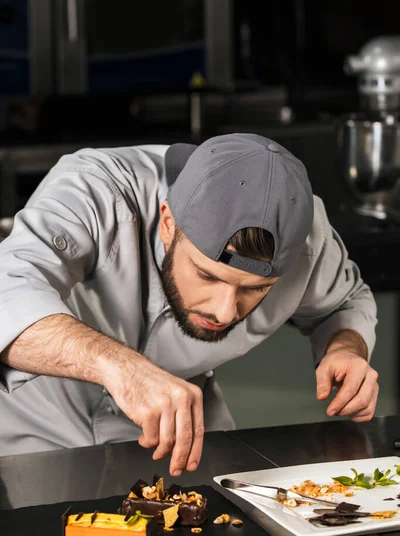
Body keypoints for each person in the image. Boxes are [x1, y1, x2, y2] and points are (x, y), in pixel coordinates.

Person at [0, 133, 378, 476]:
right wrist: (121, 368)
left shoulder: (306, 237)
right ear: (168, 223)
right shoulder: (96, 189)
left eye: (257, 288)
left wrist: (347, 348)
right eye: (208, 276)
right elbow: (8, 292)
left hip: (188, 446)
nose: (226, 311)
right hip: (40, 443)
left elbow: (344, 302)